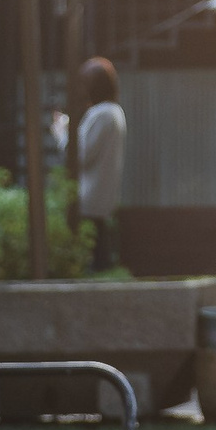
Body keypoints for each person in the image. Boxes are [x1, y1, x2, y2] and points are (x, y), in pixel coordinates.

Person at [73, 57, 126, 270]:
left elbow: (81, 156)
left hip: (91, 198)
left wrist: (61, 132)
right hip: (103, 195)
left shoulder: (101, 114)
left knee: (93, 259)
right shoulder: (114, 111)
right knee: (101, 256)